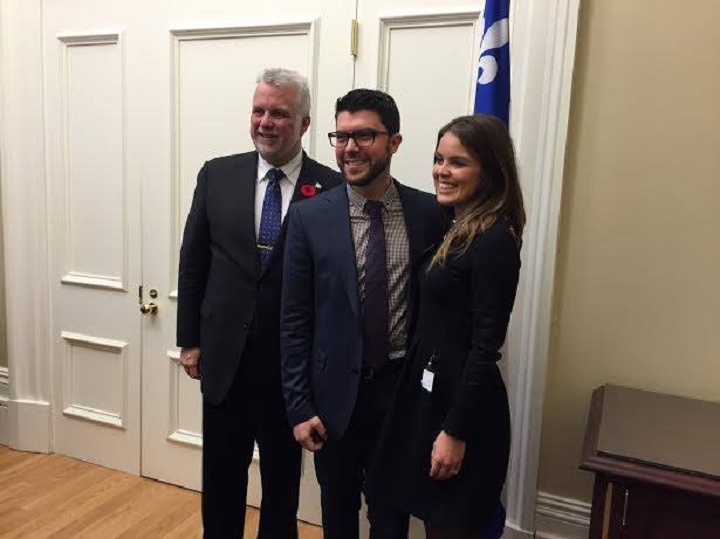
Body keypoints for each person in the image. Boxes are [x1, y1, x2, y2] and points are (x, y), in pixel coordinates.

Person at [176, 67, 342, 538]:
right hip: (223, 359)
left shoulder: (330, 189)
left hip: (291, 370)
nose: (265, 122)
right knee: (222, 479)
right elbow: (193, 263)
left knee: (282, 483)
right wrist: (189, 340)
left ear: (305, 123)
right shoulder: (217, 174)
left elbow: (333, 287)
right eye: (258, 110)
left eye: (279, 113)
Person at [280, 89, 448, 539]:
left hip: (402, 394)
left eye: (365, 136)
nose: (350, 147)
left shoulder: (430, 214)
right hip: (334, 398)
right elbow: (294, 320)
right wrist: (299, 406)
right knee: (336, 510)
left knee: (391, 517)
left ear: (394, 142)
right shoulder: (308, 218)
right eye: (342, 135)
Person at [366, 114, 525, 539]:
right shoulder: (457, 226)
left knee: (451, 525)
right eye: (439, 159)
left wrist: (455, 431)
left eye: (458, 162)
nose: (442, 171)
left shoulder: (493, 240)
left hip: (462, 409)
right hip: (428, 398)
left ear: (489, 171)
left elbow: (485, 346)